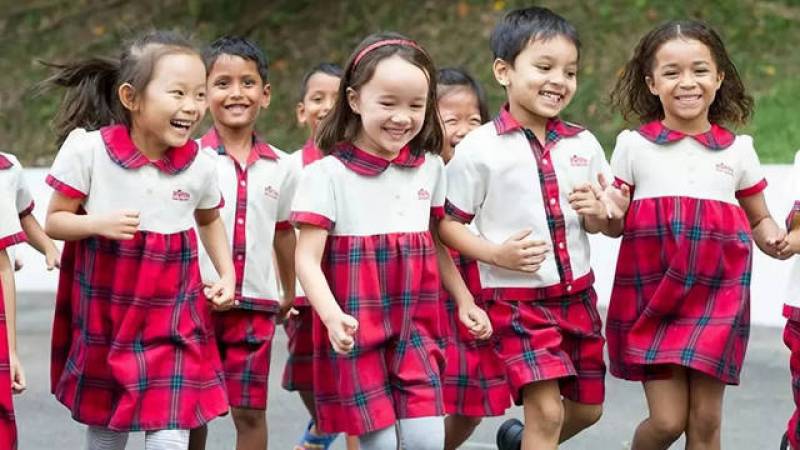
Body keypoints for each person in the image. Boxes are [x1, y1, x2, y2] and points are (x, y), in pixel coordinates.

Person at [293, 32, 491, 450]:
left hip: (417, 328)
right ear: (354, 100)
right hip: (355, 327)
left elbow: (434, 242)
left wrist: (464, 299)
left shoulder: (429, 167)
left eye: (416, 106)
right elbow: (306, 259)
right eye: (388, 103)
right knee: (380, 444)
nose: (402, 117)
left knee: (426, 440)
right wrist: (331, 316)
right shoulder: (325, 175)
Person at [44, 30, 235, 450]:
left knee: (170, 432)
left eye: (199, 94)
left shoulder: (201, 165)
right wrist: (97, 224)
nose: (192, 106)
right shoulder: (89, 152)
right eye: (178, 93)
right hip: (108, 316)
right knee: (108, 429)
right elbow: (54, 221)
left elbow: (209, 221)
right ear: (131, 98)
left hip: (175, 316)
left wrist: (227, 274)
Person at [606, 19, 787, 450]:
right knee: (667, 422)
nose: (687, 82)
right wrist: (603, 211)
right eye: (672, 72)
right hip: (653, 298)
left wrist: (775, 238)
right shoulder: (634, 146)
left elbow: (759, 219)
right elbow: (614, 219)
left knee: (706, 423)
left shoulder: (738, 150)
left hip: (717, 298)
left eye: (700, 70)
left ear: (719, 78)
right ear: (652, 83)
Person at [439, 7, 615, 450]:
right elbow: (447, 224)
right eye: (544, 67)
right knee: (548, 412)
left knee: (588, 410)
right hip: (517, 305)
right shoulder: (479, 149)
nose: (559, 81)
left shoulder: (583, 143)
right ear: (504, 71)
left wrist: (599, 212)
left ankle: (522, 444)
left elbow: (607, 225)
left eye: (570, 72)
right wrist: (494, 254)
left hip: (578, 299)